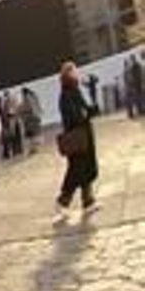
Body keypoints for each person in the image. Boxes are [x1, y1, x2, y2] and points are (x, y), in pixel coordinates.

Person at [54, 61, 102, 223]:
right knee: (76, 171)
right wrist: (85, 115)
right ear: (68, 74)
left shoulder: (76, 90)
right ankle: (62, 202)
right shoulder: (66, 94)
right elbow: (74, 116)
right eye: (74, 71)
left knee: (87, 168)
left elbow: (88, 110)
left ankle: (88, 201)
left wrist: (92, 97)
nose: (77, 73)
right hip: (77, 138)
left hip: (85, 135)